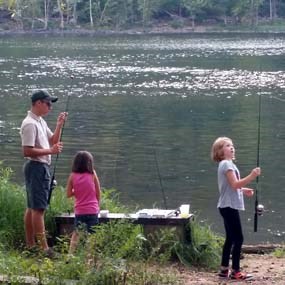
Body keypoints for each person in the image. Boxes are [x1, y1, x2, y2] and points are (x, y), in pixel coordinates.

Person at [20, 89, 68, 255]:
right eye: (48, 103)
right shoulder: (29, 124)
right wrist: (51, 151)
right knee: (39, 209)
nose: (50, 107)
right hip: (36, 167)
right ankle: (44, 249)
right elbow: (27, 151)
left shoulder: (39, 121)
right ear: (38, 103)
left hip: (39, 167)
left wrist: (59, 125)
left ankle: (31, 245)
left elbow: (53, 140)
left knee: (31, 206)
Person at [211, 137, 261, 280]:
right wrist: (252, 176)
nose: (232, 147)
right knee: (238, 238)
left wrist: (243, 190)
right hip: (229, 206)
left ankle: (223, 270)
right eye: (227, 146)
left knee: (230, 238)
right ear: (220, 151)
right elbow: (234, 185)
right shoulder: (227, 164)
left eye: (232, 145)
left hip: (225, 206)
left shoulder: (226, 164)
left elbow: (232, 186)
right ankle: (236, 272)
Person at [66, 150, 101, 254]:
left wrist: (76, 191)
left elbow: (68, 194)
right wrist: (97, 206)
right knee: (93, 234)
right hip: (92, 210)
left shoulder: (72, 176)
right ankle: (89, 257)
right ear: (89, 163)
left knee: (76, 233)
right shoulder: (92, 173)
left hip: (80, 211)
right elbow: (98, 192)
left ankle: (70, 255)